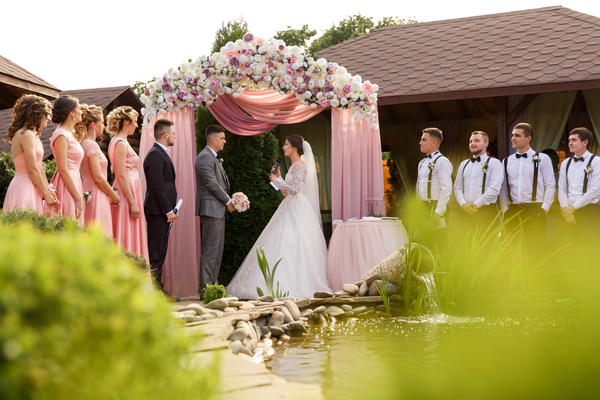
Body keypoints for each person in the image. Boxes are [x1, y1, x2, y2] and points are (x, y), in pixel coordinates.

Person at [226, 135, 332, 299]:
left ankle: (293, 285)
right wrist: (279, 178)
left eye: (286, 144)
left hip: (297, 209)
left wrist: (278, 180)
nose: (283, 147)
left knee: (293, 243)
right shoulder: (292, 167)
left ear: (295, 147)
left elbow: (296, 190)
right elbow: (285, 192)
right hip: (288, 205)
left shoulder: (300, 166)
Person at [499, 123, 555, 247]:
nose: (513, 138)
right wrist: (505, 209)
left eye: (517, 135)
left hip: (535, 210)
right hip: (512, 211)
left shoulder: (542, 158)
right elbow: (503, 187)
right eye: (512, 135)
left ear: (528, 138)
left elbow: (550, 185)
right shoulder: (506, 161)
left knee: (535, 249)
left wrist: (544, 208)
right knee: (512, 248)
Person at [195, 125, 234, 293]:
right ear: (213, 139)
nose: (225, 141)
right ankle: (206, 289)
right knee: (210, 250)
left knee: (217, 251)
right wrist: (227, 201)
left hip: (216, 209)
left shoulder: (213, 157)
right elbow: (212, 184)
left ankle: (213, 287)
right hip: (211, 208)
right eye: (222, 138)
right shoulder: (204, 157)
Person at [3, 95, 59, 212]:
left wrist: (47, 189)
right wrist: (46, 194)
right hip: (24, 187)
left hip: (34, 186)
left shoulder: (33, 134)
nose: (49, 118)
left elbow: (39, 166)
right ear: (36, 113)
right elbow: (32, 169)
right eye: (46, 114)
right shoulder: (26, 134)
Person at [107, 106, 149, 262]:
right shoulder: (120, 143)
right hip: (126, 192)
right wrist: (132, 203)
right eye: (135, 122)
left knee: (131, 231)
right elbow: (121, 175)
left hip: (131, 189)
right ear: (126, 122)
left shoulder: (121, 142)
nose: (137, 126)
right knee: (126, 232)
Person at [143, 119, 178, 291]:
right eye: (173, 133)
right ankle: (155, 292)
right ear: (166, 135)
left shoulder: (160, 153)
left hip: (162, 212)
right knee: (155, 253)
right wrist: (168, 210)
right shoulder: (155, 155)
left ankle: (158, 289)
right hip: (157, 211)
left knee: (160, 252)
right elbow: (157, 186)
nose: (175, 136)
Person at [76, 104, 120, 236]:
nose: (104, 126)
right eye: (102, 123)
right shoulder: (91, 145)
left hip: (87, 188)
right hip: (96, 192)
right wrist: (114, 196)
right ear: (93, 125)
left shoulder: (82, 143)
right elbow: (98, 177)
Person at [46, 95, 84, 224]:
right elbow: (63, 169)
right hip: (66, 183)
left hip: (73, 180)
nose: (82, 111)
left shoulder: (68, 134)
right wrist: (78, 198)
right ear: (71, 113)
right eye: (79, 108)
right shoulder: (61, 135)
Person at [557, 127, 600, 241]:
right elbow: (562, 188)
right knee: (568, 249)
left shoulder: (596, 161)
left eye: (574, 140)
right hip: (568, 213)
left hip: (588, 212)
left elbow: (596, 190)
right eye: (569, 140)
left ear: (585, 142)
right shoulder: (566, 162)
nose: (570, 143)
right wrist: (565, 208)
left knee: (588, 249)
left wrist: (573, 207)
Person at [454, 131, 503, 230]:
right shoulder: (463, 164)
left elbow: (494, 189)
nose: (472, 144)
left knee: (486, 244)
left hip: (486, 211)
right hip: (464, 212)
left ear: (486, 143)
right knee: (464, 244)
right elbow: (457, 187)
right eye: (470, 141)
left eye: (477, 141)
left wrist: (476, 205)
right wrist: (463, 204)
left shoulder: (495, 163)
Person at [415, 127, 452, 248]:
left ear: (434, 142)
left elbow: (446, 189)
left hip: (435, 207)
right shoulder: (422, 163)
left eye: (423, 140)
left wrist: (438, 212)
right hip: (423, 208)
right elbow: (418, 187)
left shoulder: (442, 161)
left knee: (438, 245)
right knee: (424, 245)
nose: (420, 143)